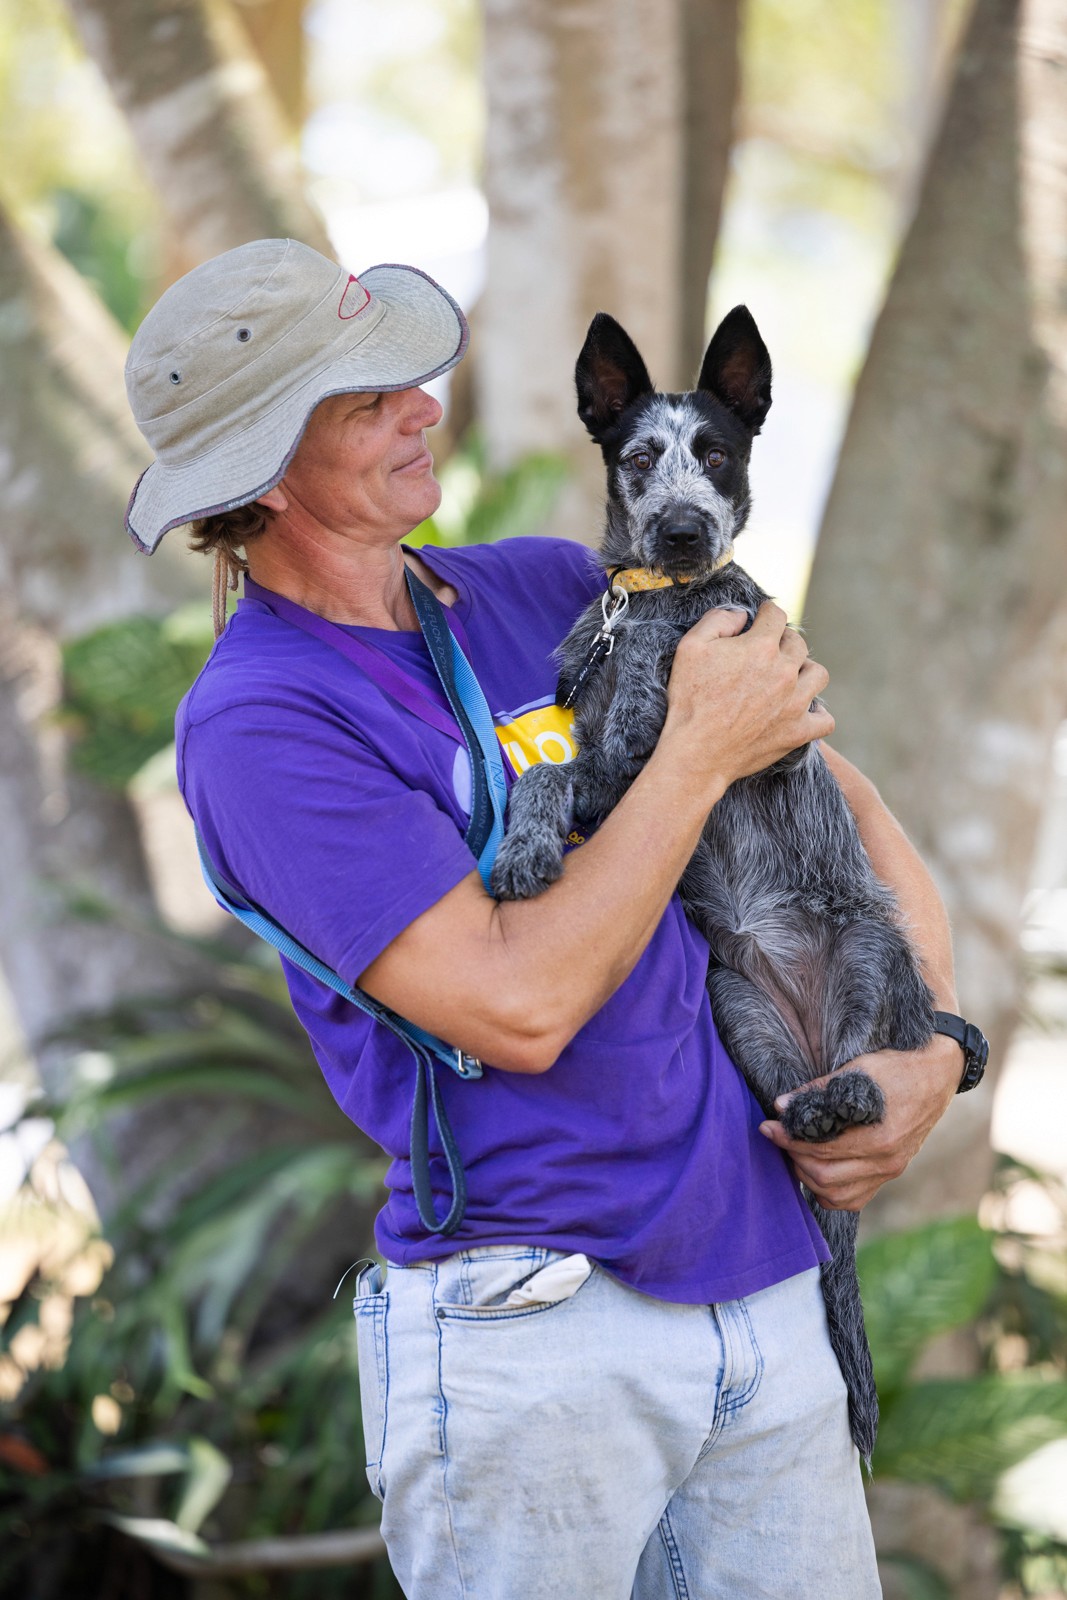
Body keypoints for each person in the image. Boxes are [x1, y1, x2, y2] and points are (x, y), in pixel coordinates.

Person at [125, 238, 967, 1600]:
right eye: (367, 400)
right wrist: (689, 752)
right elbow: (517, 1006)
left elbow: (835, 790)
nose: (425, 407)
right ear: (265, 474)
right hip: (538, 1331)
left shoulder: (533, 586)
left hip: (763, 1282)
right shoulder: (265, 724)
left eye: (409, 378)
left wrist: (936, 1048)